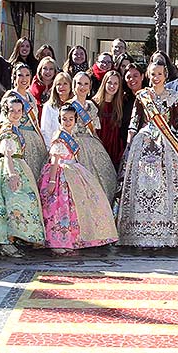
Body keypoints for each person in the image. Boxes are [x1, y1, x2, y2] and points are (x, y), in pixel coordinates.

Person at [118, 61, 178, 248]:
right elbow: (134, 122)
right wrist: (129, 145)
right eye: (153, 74)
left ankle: (166, 232)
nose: (156, 77)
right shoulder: (142, 96)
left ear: (165, 75)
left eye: (159, 74)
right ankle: (138, 231)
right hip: (143, 144)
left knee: (164, 187)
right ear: (148, 75)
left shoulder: (175, 96)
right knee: (142, 186)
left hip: (167, 145)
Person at [39, 103, 119, 252]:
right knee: (60, 208)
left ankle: (71, 239)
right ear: (59, 120)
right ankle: (58, 242)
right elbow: (55, 160)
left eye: (70, 119)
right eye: (64, 119)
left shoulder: (71, 135)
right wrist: (51, 181)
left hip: (74, 170)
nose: (67, 122)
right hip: (60, 174)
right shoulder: (59, 136)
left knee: (75, 208)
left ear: (75, 120)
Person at [0, 95, 47, 257]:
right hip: (8, 168)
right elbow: (7, 153)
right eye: (12, 111)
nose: (16, 114)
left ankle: (13, 238)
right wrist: (12, 174)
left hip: (15, 167)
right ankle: (7, 242)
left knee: (13, 204)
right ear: (6, 111)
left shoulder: (14, 128)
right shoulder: (8, 130)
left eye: (19, 111)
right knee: (11, 203)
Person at [70, 71, 120, 200]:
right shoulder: (68, 106)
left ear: (90, 86)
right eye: (79, 83)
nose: (82, 87)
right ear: (74, 85)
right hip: (73, 146)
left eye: (86, 84)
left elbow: (95, 129)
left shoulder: (91, 106)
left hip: (93, 145)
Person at [2, 64, 49, 182]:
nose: (24, 78)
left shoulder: (31, 97)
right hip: (16, 137)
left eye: (27, 75)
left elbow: (35, 121)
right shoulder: (9, 96)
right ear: (14, 77)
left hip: (34, 139)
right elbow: (4, 120)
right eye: (20, 75)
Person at [92, 68, 129, 171]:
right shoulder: (94, 103)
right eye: (109, 82)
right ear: (104, 83)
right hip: (98, 146)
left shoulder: (121, 104)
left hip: (114, 149)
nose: (112, 86)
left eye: (116, 83)